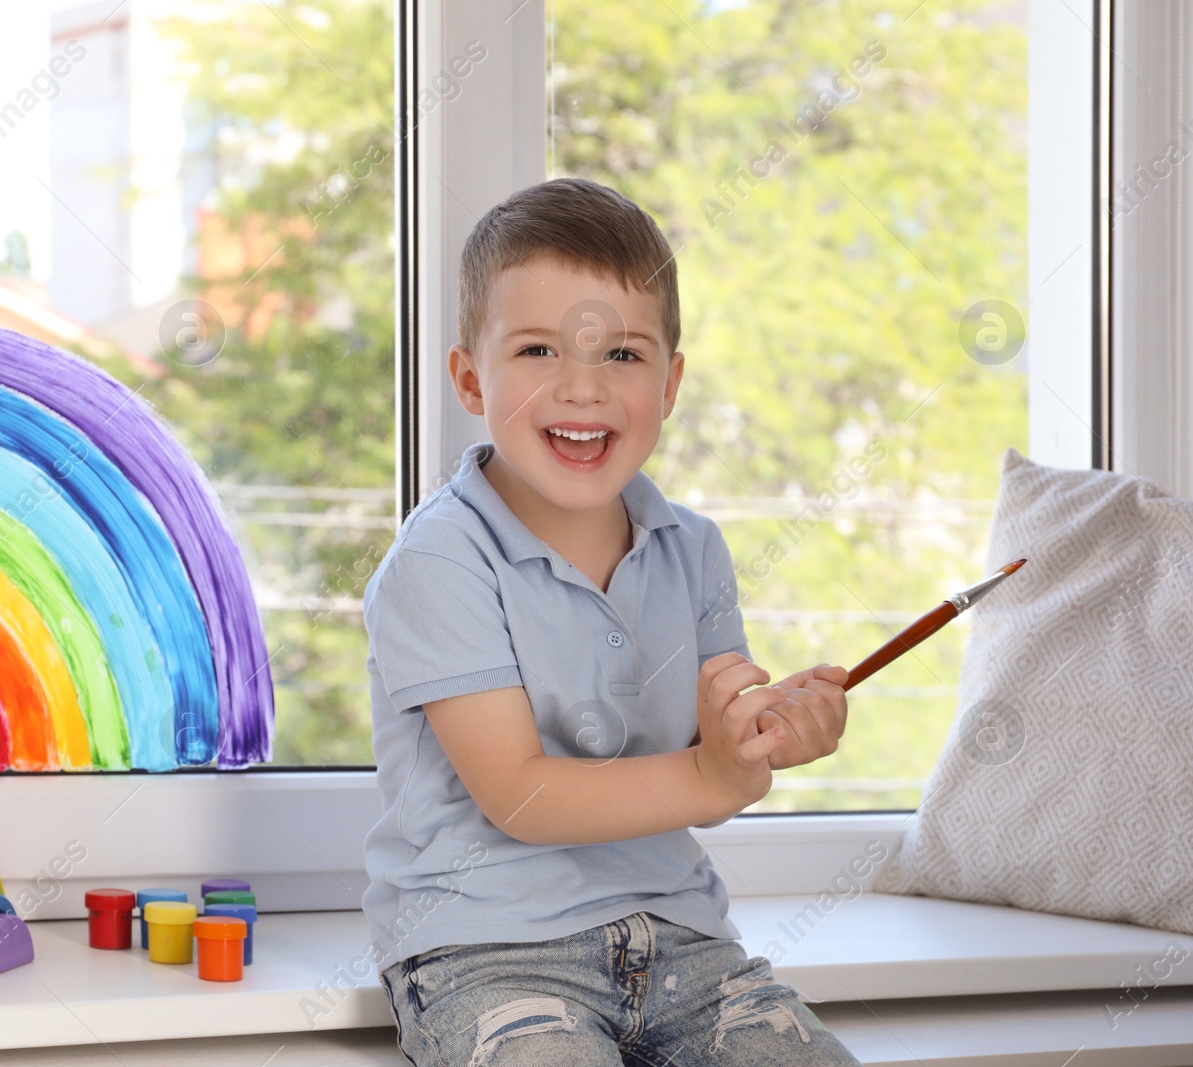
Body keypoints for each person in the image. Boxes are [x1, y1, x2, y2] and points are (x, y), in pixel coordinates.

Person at [361, 177, 860, 1065]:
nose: (582, 388)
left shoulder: (692, 549)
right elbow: (521, 792)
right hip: (489, 952)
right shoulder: (440, 560)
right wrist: (715, 774)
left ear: (669, 384)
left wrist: (771, 734)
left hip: (685, 941)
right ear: (471, 377)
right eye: (540, 350)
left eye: (622, 356)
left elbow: (714, 756)